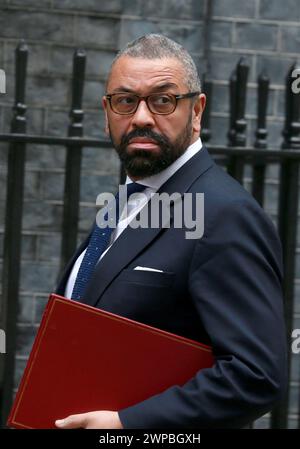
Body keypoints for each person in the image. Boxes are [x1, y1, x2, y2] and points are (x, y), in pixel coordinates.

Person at [54, 34, 288, 429]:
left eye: (163, 100)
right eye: (125, 101)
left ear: (196, 111)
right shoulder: (127, 200)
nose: (141, 117)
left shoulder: (226, 214)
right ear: (107, 110)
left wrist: (127, 424)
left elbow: (256, 375)